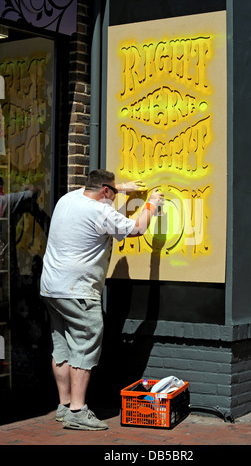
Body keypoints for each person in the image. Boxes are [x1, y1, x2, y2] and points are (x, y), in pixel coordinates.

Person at [40, 169, 164, 431]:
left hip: (51, 289)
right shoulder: (101, 212)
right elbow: (137, 228)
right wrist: (151, 203)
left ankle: (63, 406)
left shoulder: (68, 199)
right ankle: (77, 411)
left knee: (61, 348)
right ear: (105, 191)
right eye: (113, 192)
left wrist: (122, 188)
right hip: (78, 291)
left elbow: (101, 200)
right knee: (85, 347)